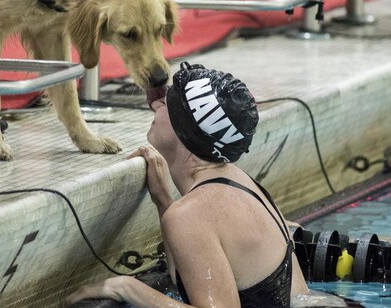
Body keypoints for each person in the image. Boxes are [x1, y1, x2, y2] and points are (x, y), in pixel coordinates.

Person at [65, 62, 309, 308]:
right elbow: (195, 279)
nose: (155, 105)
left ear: (187, 132)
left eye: (168, 104)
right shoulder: (238, 181)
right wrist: (163, 202)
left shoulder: (192, 214)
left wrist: (128, 288)